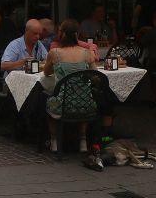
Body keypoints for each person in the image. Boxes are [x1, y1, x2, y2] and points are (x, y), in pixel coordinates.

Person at [42, 19, 114, 154]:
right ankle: (82, 140)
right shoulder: (87, 53)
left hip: (63, 104)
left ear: (61, 34)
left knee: (46, 100)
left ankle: (54, 141)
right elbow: (95, 76)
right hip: (86, 104)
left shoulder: (55, 53)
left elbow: (47, 72)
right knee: (82, 97)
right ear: (77, 35)